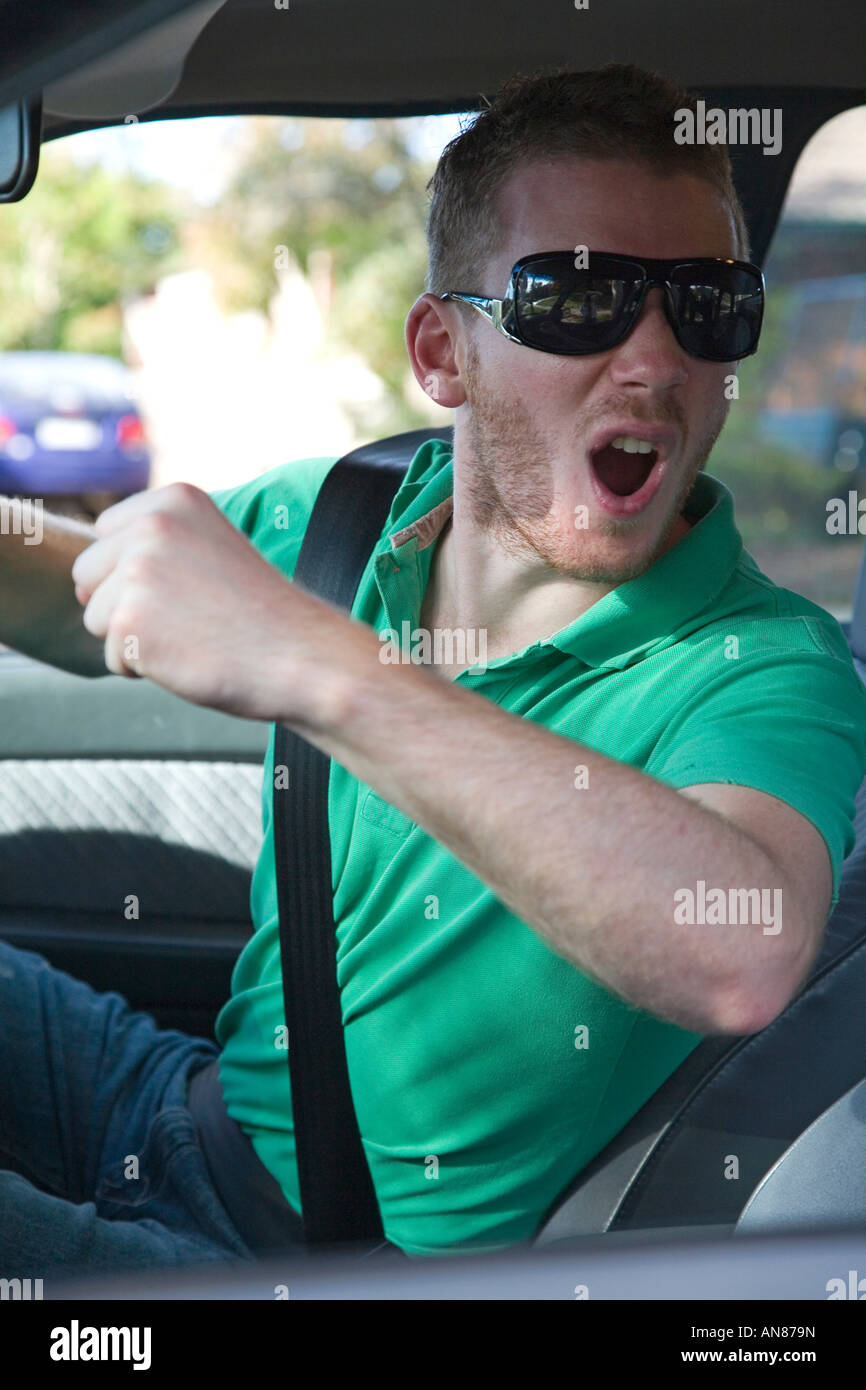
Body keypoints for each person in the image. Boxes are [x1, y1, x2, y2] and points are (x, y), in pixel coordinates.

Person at [1, 63, 864, 1276]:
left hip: (339, 1268)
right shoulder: (344, 517)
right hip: (180, 1111)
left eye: (706, 307)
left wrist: (319, 662)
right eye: (579, 298)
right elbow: (85, 591)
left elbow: (739, 947)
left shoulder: (758, 664)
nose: (658, 362)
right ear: (440, 350)